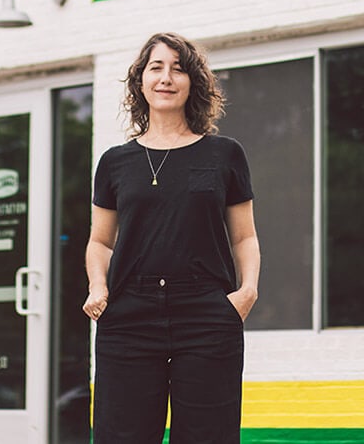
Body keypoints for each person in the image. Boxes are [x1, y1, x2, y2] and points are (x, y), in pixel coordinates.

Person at [82, 32, 261, 443]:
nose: (166, 78)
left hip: (205, 312)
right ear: (140, 81)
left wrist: (246, 293)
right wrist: (98, 285)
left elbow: (245, 237)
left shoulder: (225, 154)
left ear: (193, 83)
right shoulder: (114, 162)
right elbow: (100, 242)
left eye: (178, 69)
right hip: (128, 314)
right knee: (121, 436)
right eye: (156, 67)